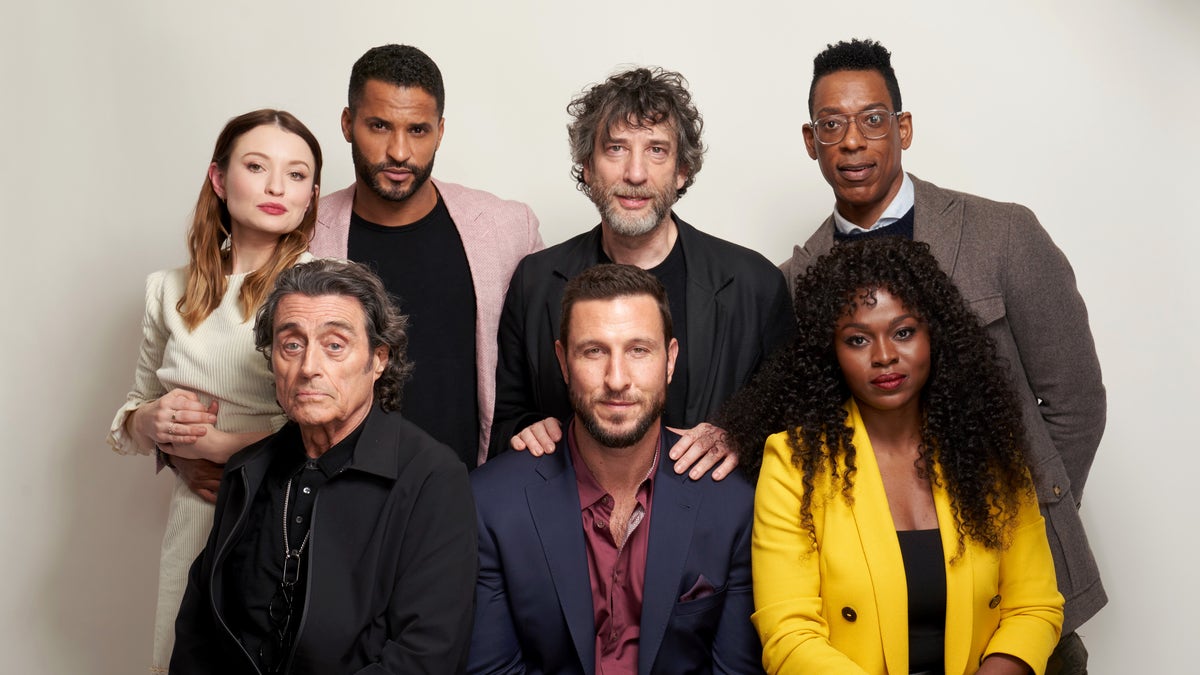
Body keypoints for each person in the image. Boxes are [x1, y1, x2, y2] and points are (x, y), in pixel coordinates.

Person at [780, 38, 1105, 671]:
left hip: (1018, 589)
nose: (852, 141)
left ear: (902, 127)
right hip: (874, 609)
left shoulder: (1003, 235)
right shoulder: (794, 281)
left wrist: (1016, 527)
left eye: (873, 119)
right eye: (832, 124)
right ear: (810, 140)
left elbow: (1075, 403)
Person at [724, 238, 1064, 674]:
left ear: (934, 334)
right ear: (831, 352)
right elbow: (788, 634)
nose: (884, 356)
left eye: (903, 332)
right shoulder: (793, 464)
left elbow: (1034, 605)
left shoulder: (988, 452)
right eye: (858, 339)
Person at [171, 259, 477, 674]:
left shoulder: (432, 477)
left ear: (379, 359)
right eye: (292, 345)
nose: (309, 367)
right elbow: (199, 629)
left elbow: (427, 654)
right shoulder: (248, 470)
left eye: (335, 345)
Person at [492, 66, 793, 480]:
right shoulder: (536, 282)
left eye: (656, 150)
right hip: (572, 529)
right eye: (615, 148)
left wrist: (740, 436)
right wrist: (529, 430)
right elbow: (503, 418)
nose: (635, 174)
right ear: (587, 166)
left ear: (682, 169)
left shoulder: (754, 284)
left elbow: (793, 421)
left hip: (714, 532)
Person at [107, 109, 321, 673]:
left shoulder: (327, 286)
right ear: (220, 180)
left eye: (297, 175)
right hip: (197, 519)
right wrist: (150, 424)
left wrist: (223, 450)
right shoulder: (167, 289)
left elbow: (337, 424)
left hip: (289, 517)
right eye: (257, 166)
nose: (277, 186)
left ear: (312, 195)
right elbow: (130, 417)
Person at [470, 264, 762, 674]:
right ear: (563, 361)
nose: (617, 379)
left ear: (670, 360)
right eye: (594, 351)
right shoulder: (491, 503)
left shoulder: (733, 502)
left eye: (638, 350)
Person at [309, 44, 543, 468]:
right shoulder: (302, 235)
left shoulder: (509, 229)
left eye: (417, 130)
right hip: (343, 497)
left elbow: (550, 359)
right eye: (379, 126)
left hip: (473, 496)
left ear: (440, 130)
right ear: (348, 124)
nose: (399, 152)